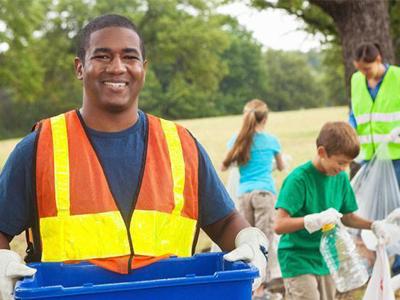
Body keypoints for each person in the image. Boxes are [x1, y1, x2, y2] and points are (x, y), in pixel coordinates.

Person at [0, 14, 269, 300]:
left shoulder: (181, 145)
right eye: (102, 56)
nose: (117, 68)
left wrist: (248, 240)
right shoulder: (40, 147)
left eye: (130, 57)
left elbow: (225, 222)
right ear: (80, 67)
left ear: (143, 68)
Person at [274, 122, 395, 300]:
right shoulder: (299, 180)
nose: (344, 168)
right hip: (297, 258)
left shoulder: (340, 178)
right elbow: (279, 225)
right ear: (322, 152)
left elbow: (348, 217)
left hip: (326, 258)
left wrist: (374, 225)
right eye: (341, 162)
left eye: (348, 164)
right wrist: (312, 220)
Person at [221, 99, 285, 300]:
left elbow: (224, 166)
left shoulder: (236, 141)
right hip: (264, 194)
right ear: (265, 118)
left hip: (244, 195)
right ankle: (261, 291)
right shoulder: (272, 141)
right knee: (263, 242)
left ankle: (248, 286)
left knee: (247, 243)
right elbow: (282, 167)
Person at [349, 42, 400, 275]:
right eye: (360, 69)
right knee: (373, 212)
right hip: (369, 157)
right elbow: (354, 113)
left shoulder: (397, 77)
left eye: (367, 68)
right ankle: (381, 262)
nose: (364, 73)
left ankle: (398, 264)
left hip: (396, 154)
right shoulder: (356, 80)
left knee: (397, 209)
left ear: (379, 59)